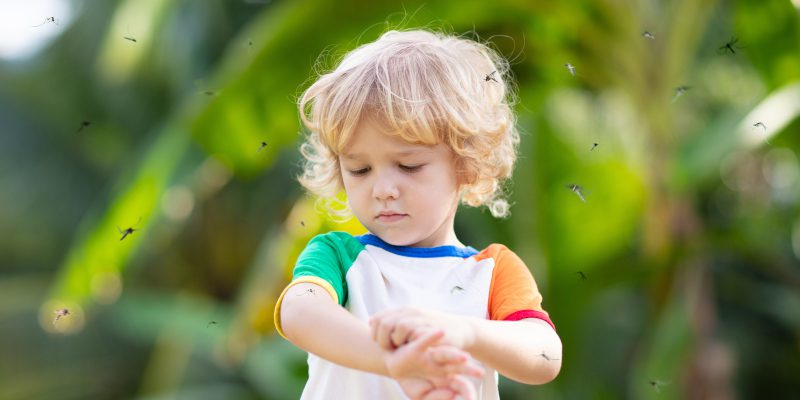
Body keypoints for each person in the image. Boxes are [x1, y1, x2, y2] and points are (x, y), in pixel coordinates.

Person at [274, 29, 561, 400]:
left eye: (408, 165)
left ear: (467, 164)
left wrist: (464, 332)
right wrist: (392, 359)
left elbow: (545, 355)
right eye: (360, 170)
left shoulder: (492, 272)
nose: (382, 189)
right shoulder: (339, 256)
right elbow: (299, 313)